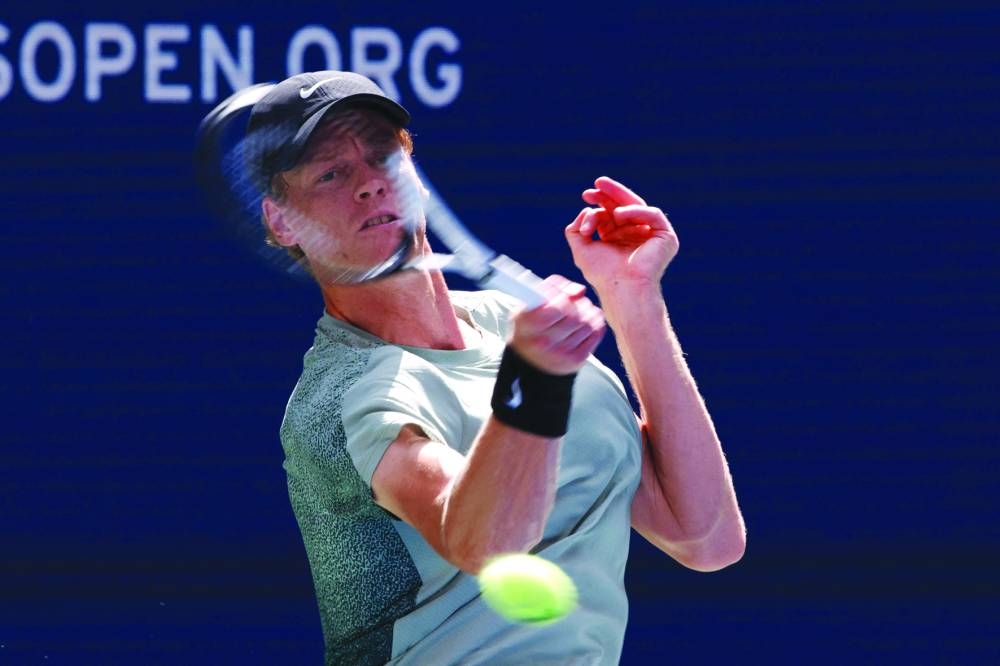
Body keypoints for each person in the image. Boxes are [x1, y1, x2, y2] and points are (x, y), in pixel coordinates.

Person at [248, 70, 745, 665]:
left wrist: (631, 298)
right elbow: (483, 545)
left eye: (382, 157)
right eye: (330, 173)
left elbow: (706, 538)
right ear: (281, 222)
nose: (369, 185)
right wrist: (532, 382)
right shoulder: (344, 396)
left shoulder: (517, 329)